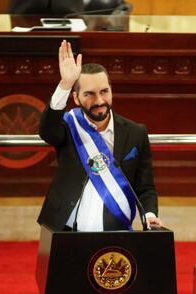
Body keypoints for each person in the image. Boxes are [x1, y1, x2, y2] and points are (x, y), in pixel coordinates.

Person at [38, 40, 163, 231]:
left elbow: (145, 187)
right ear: (76, 97)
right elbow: (47, 130)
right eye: (89, 94)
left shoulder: (136, 132)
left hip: (115, 230)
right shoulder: (68, 126)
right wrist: (65, 84)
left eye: (104, 91)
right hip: (65, 230)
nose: (99, 101)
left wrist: (149, 215)